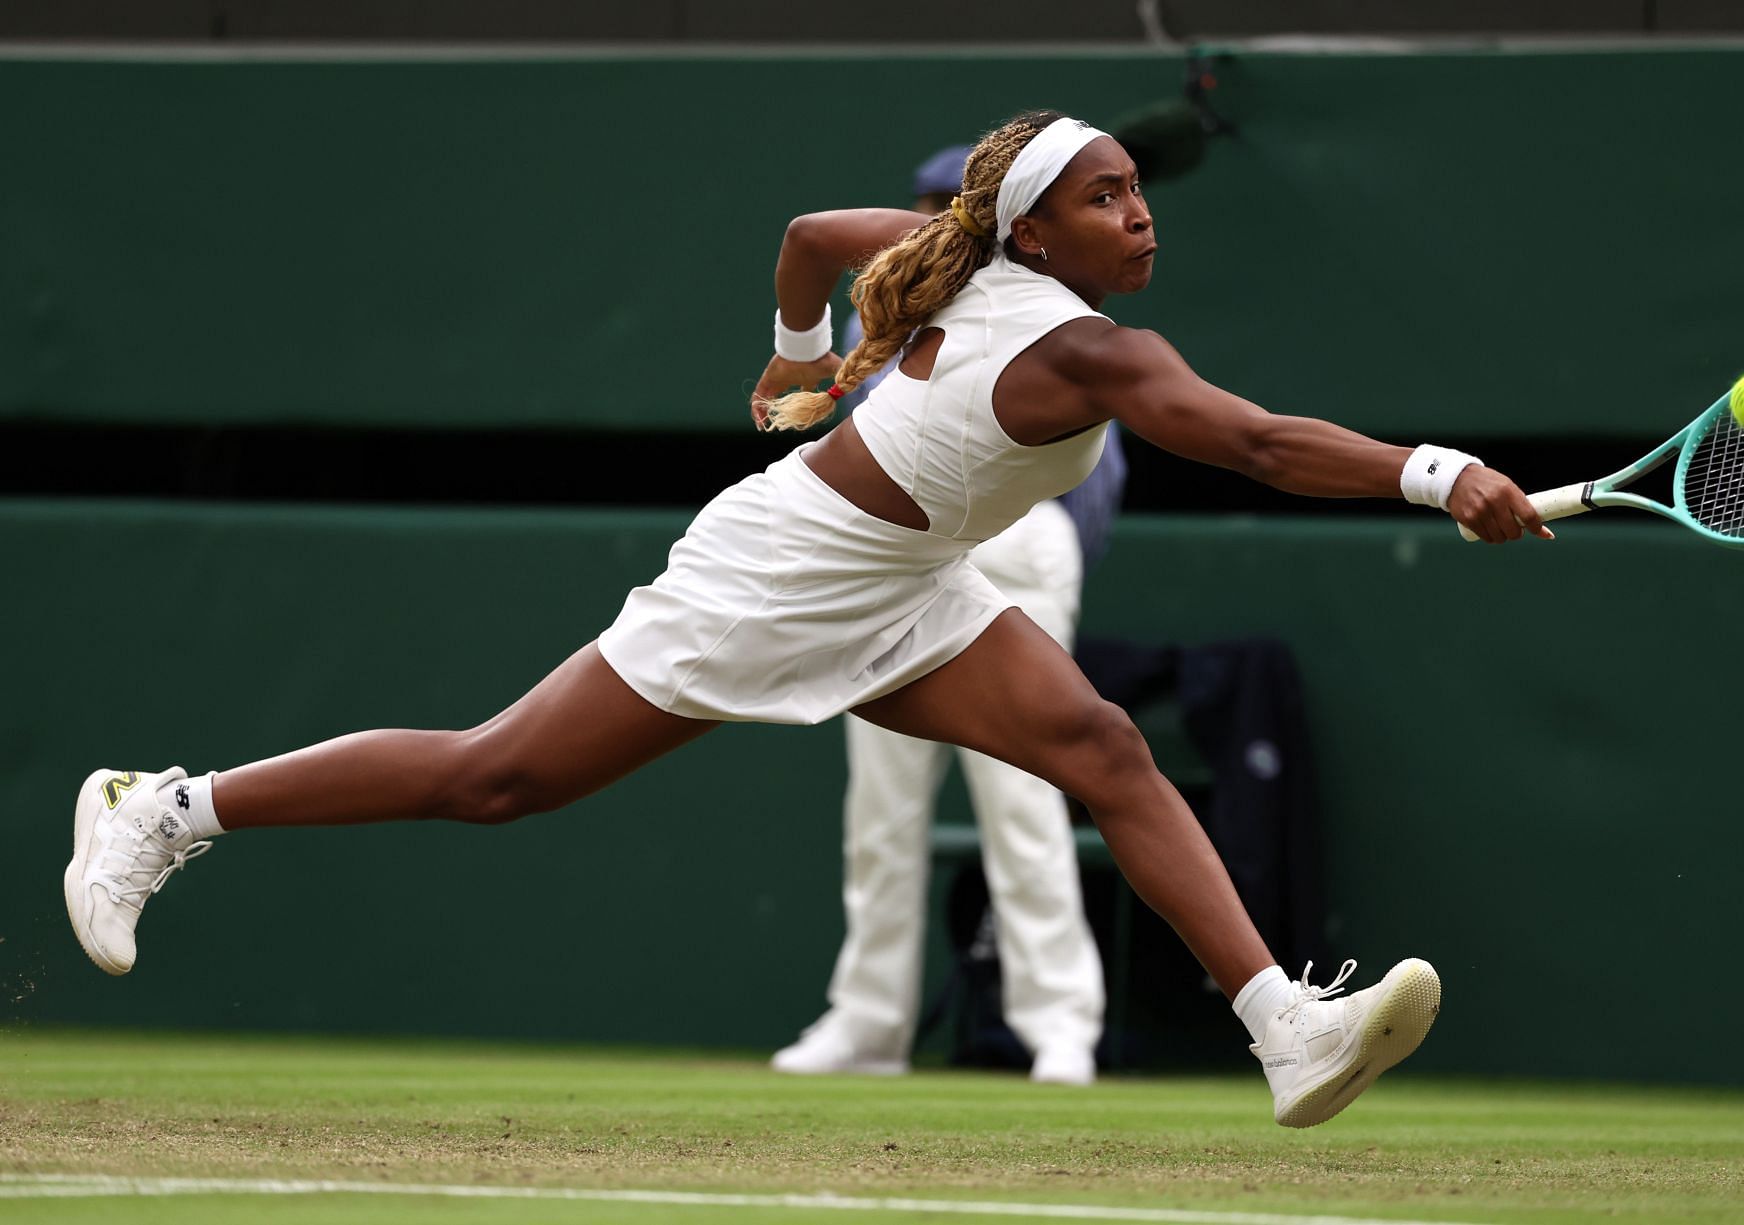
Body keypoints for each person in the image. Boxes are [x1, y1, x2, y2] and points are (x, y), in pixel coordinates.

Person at [63, 109, 1550, 1130]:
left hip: (910, 588)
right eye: (1105, 195)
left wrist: (795, 367)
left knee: (1102, 748)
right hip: (779, 571)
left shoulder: (987, 269)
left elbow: (806, 235)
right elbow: (1263, 442)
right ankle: (164, 804)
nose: (1138, 210)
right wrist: (1442, 474)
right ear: (1036, 233)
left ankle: (1283, 1026)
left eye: (1137, 188)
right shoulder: (1098, 352)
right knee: (494, 778)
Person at [771, 144, 1122, 1088]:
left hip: (1010, 548)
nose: (941, 218)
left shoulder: (1053, 311)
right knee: (880, 807)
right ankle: (868, 1023)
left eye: (958, 203)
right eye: (934, 203)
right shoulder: (886, 301)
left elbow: (1094, 467)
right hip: (892, 553)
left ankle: (1060, 1026)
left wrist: (1035, 542)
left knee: (1024, 793)